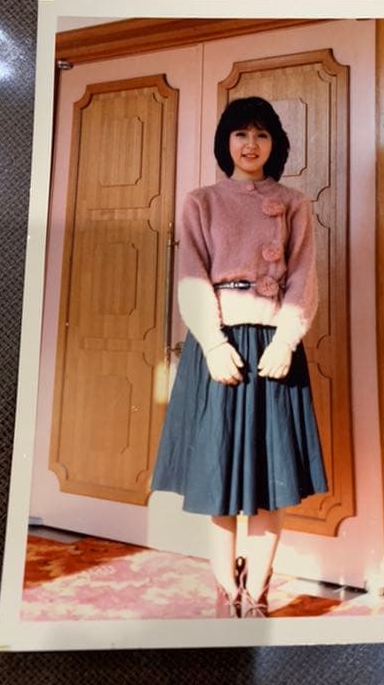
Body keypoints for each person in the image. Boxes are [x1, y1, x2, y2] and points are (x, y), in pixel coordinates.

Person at [151, 96, 327, 618]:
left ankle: (257, 592)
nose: (251, 145)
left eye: (262, 135)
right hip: (220, 350)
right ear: (225, 142)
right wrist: (212, 343)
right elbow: (191, 276)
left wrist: (285, 341)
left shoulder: (294, 203)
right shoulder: (201, 201)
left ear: (275, 144)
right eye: (241, 134)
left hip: (274, 350)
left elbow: (303, 277)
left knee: (271, 482)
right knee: (221, 477)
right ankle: (227, 592)